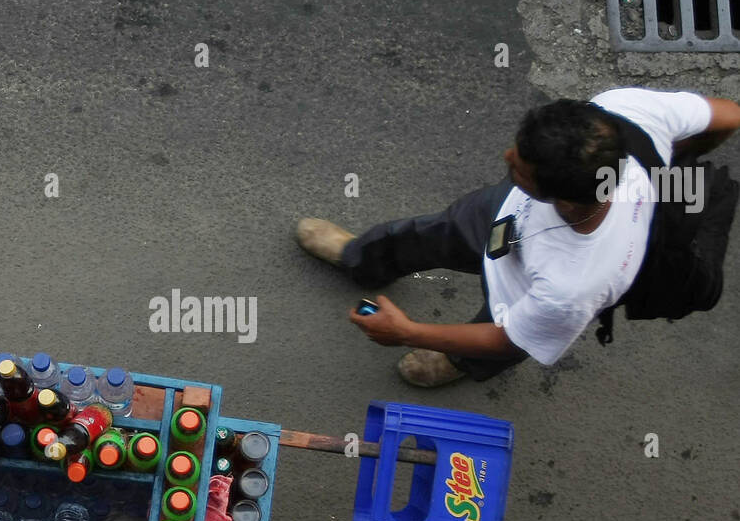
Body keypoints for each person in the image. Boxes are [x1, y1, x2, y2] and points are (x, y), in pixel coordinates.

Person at [296, 87, 740, 386]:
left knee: (496, 337)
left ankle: (458, 361)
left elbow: (509, 336)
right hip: (506, 220)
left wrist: (409, 331)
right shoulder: (619, 114)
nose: (506, 157)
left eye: (517, 168)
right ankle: (361, 258)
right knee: (438, 231)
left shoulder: (573, 286)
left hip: (523, 293)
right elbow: (728, 115)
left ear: (561, 198)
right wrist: (680, 157)